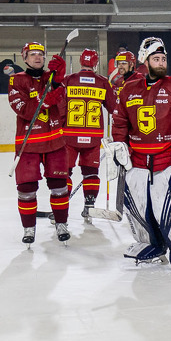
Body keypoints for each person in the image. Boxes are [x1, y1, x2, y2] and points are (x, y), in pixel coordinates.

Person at [108, 37, 171, 268]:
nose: (162, 62)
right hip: (138, 159)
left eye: (163, 58)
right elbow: (120, 121)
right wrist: (120, 146)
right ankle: (152, 244)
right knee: (141, 205)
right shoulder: (129, 88)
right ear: (145, 61)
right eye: (156, 59)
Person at [7, 42, 70, 246]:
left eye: (40, 54)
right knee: (26, 188)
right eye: (32, 54)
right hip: (29, 144)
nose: (37, 57)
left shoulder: (51, 77)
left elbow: (63, 104)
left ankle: (61, 225)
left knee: (59, 186)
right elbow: (23, 110)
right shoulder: (16, 80)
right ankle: (29, 228)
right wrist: (44, 101)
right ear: (24, 58)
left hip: (54, 141)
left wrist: (59, 81)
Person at [60, 48, 117, 221]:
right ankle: (89, 207)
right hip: (93, 137)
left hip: (69, 135)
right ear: (96, 63)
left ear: (80, 61)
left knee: (65, 173)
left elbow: (60, 107)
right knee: (91, 172)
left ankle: (61, 206)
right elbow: (114, 108)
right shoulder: (102, 82)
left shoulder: (68, 80)